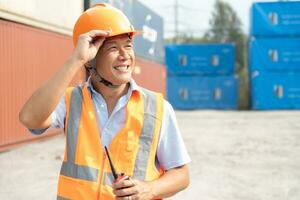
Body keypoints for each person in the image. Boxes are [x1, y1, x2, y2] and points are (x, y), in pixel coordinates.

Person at [19, 3, 190, 200]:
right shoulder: (71, 101)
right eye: (113, 48)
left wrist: (148, 189)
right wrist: (76, 59)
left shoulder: (157, 108)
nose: (125, 55)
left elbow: (181, 174)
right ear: (91, 59)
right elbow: (30, 118)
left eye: (128, 46)